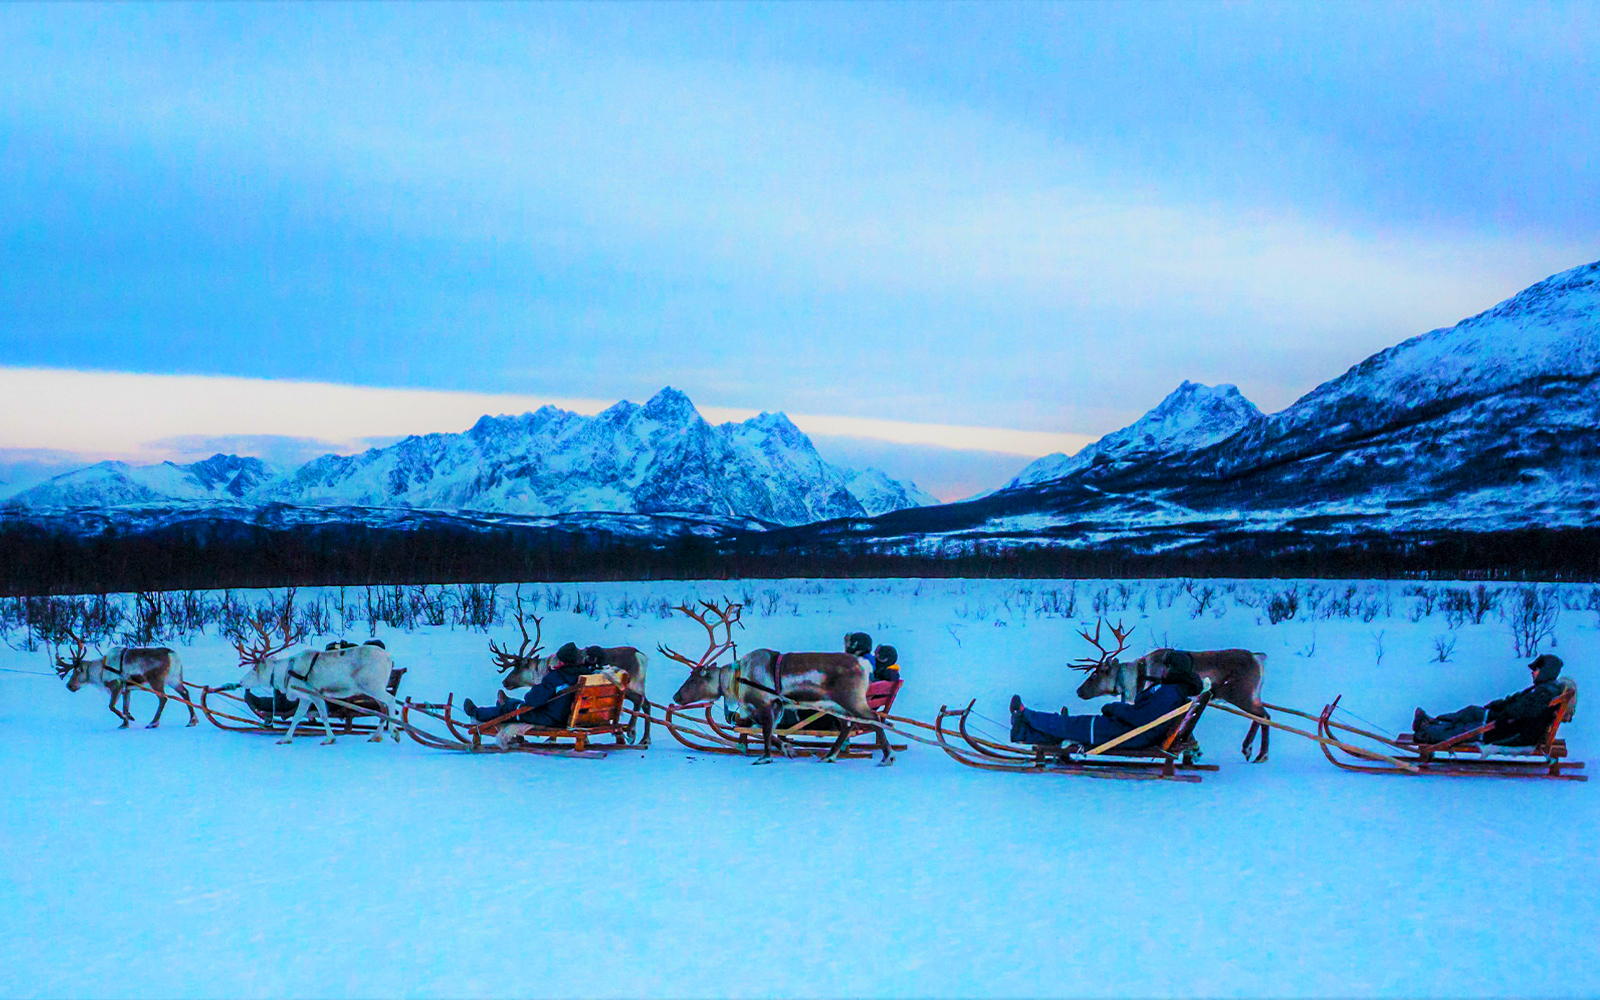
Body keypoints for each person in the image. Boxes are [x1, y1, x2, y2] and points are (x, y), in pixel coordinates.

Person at [1009, 663, 1204, 750]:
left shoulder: (1168, 693)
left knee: (1072, 725)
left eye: (1166, 667)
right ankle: (1024, 731)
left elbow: (1140, 717)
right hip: (1129, 731)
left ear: (1174, 671)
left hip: (1127, 734)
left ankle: (1027, 715)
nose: (1162, 669)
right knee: (1073, 727)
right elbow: (1144, 715)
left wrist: (1114, 708)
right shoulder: (1173, 692)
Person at [1413, 654, 1570, 746]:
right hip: (1507, 722)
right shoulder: (1543, 688)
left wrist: (1504, 715)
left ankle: (1425, 733)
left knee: (1466, 729)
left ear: (1545, 671)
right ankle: (1432, 722)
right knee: (1471, 711)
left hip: (1511, 731)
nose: (1533, 673)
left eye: (1536, 670)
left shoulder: (1544, 693)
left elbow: (1523, 711)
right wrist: (1497, 706)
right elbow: (1516, 701)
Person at [463, 641, 589, 727]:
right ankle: (506, 702)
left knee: (512, 710)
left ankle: (477, 713)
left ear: (564, 662)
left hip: (552, 718)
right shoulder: (587, 675)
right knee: (515, 707)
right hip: (570, 716)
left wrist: (545, 681)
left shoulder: (557, 677)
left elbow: (531, 700)